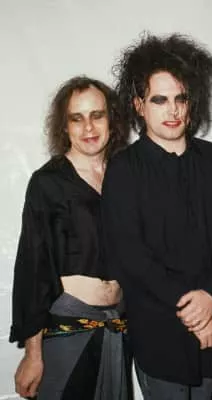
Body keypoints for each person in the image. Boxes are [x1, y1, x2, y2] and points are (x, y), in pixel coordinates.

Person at [103, 33, 212, 399]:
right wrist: (195, 313)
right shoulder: (124, 169)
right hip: (160, 330)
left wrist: (211, 298)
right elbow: (130, 255)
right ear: (139, 105)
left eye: (181, 98)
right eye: (160, 100)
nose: (173, 111)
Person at [10, 76, 131, 399]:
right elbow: (33, 270)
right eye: (77, 118)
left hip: (118, 327)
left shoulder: (126, 176)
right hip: (67, 331)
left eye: (97, 115)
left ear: (112, 119)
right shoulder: (48, 183)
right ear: (64, 127)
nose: (88, 127)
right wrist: (33, 354)